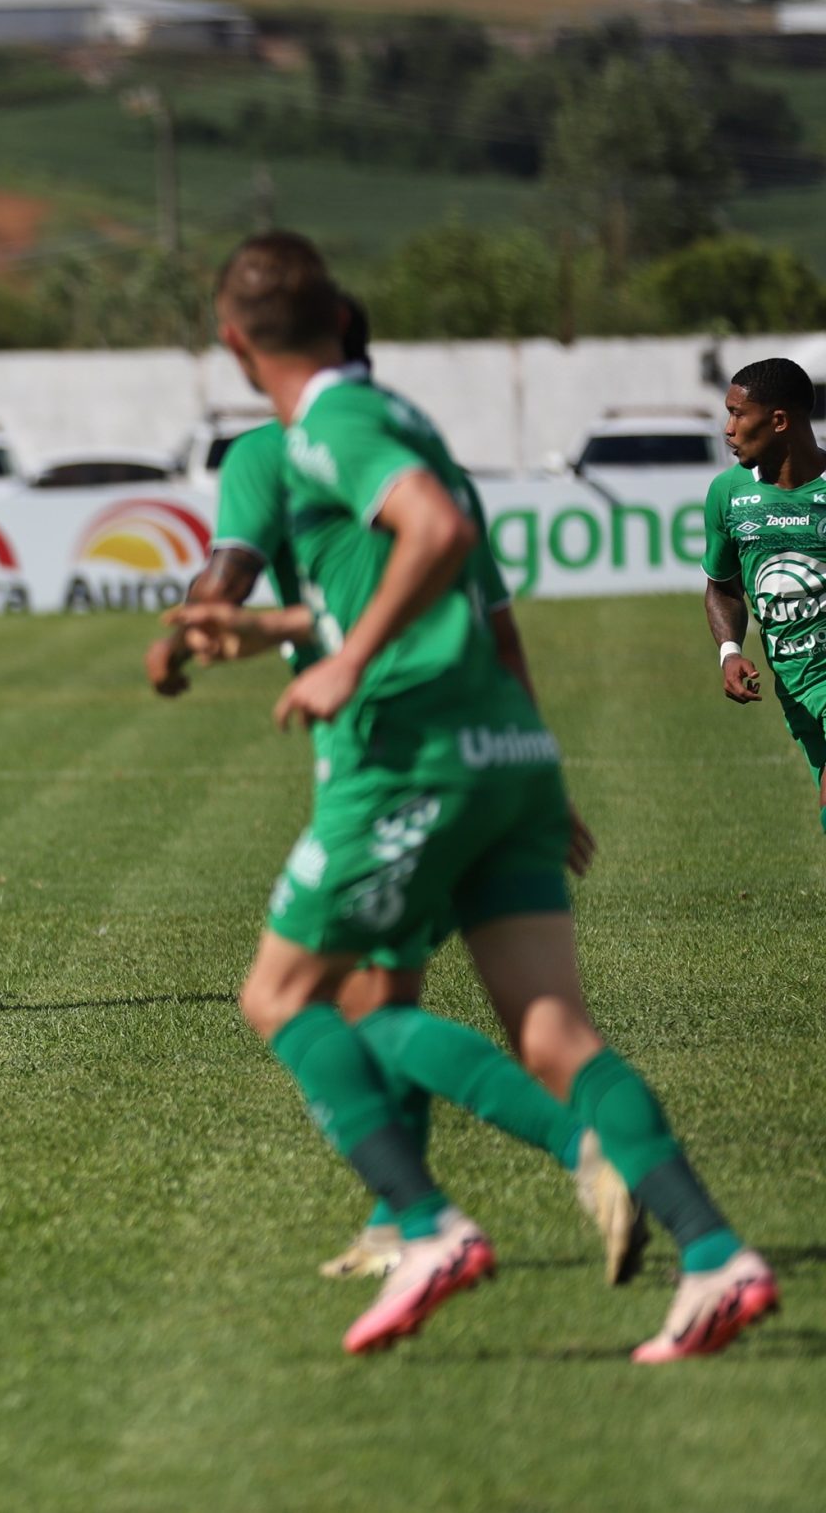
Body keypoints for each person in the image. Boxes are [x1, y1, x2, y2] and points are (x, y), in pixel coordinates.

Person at [204, 231, 773, 1359]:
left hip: (406, 757)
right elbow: (463, 596)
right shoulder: (410, 427)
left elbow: (433, 537)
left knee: (286, 999)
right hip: (501, 748)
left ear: (233, 343)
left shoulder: (323, 428)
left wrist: (342, 660)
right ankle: (712, 1255)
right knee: (543, 1028)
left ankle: (427, 1224)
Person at [149, 299, 637, 1287]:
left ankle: (561, 1156)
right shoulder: (418, 447)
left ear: (253, 349)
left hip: (381, 766)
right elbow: (499, 632)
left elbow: (231, 567)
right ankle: (397, 1217)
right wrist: (537, 770)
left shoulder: (273, 449)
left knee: (331, 1001)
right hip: (490, 754)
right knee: (387, 990)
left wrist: (190, 626)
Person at [702, 357, 826, 835]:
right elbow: (723, 585)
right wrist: (730, 653)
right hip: (795, 684)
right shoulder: (728, 493)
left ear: (778, 421)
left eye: (738, 414)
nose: (728, 429)